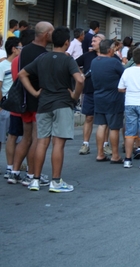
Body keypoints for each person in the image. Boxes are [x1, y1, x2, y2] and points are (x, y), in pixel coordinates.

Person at [19, 26, 84, 192]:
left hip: (43, 105)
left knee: (42, 142)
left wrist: (34, 92)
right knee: (58, 144)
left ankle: (35, 179)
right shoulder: (68, 60)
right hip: (62, 104)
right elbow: (80, 80)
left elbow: (22, 74)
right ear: (67, 42)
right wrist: (75, 96)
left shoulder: (42, 58)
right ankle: (55, 181)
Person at [7, 21, 54, 186]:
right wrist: (35, 92)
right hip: (38, 101)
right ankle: (32, 175)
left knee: (25, 138)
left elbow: (20, 74)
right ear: (46, 34)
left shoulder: (24, 50)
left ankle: (14, 172)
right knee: (36, 139)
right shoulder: (43, 54)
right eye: (52, 32)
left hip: (23, 101)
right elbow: (26, 75)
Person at [76, 34, 111, 156]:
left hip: (105, 92)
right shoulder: (87, 56)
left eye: (95, 41)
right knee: (89, 117)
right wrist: (80, 74)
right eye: (92, 40)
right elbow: (74, 64)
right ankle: (85, 144)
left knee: (105, 120)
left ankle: (105, 145)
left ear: (102, 42)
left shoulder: (110, 56)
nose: (92, 43)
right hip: (90, 91)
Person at [91, 39, 125, 163]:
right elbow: (125, 75)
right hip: (114, 98)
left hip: (99, 97)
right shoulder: (114, 62)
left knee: (101, 125)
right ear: (110, 50)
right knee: (114, 127)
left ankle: (100, 153)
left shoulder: (94, 62)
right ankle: (115, 155)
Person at [0, 37, 22, 171]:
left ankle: (15, 164)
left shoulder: (20, 64)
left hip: (17, 105)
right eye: (20, 48)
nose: (22, 50)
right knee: (3, 137)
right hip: (6, 105)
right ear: (14, 49)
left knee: (16, 136)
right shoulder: (2, 66)